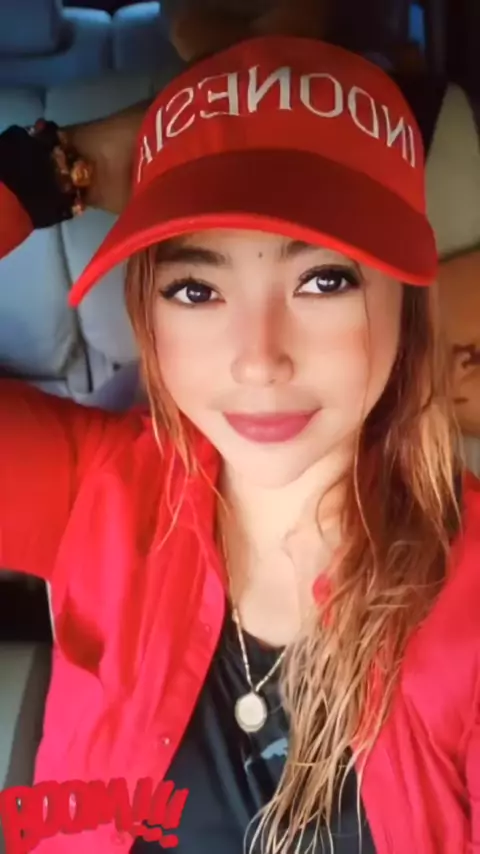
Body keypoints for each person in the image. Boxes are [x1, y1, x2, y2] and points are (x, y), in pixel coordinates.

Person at [1, 34, 480, 854]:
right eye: (196, 289)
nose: (260, 361)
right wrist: (46, 169)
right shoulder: (97, 490)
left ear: (406, 304)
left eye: (324, 280)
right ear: (147, 313)